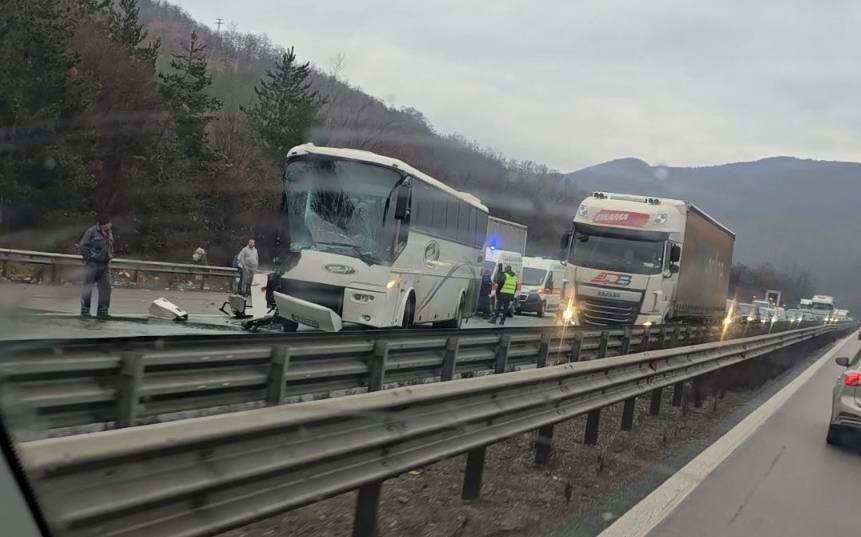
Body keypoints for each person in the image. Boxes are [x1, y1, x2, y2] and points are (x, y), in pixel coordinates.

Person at [78, 215, 114, 317]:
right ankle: (85, 311)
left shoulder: (109, 233)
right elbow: (83, 246)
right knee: (88, 288)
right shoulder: (91, 232)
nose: (110, 225)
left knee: (106, 289)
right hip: (92, 265)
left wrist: (110, 256)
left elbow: (110, 246)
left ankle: (103, 311)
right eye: (108, 223)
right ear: (103, 224)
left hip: (105, 265)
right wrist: (90, 258)